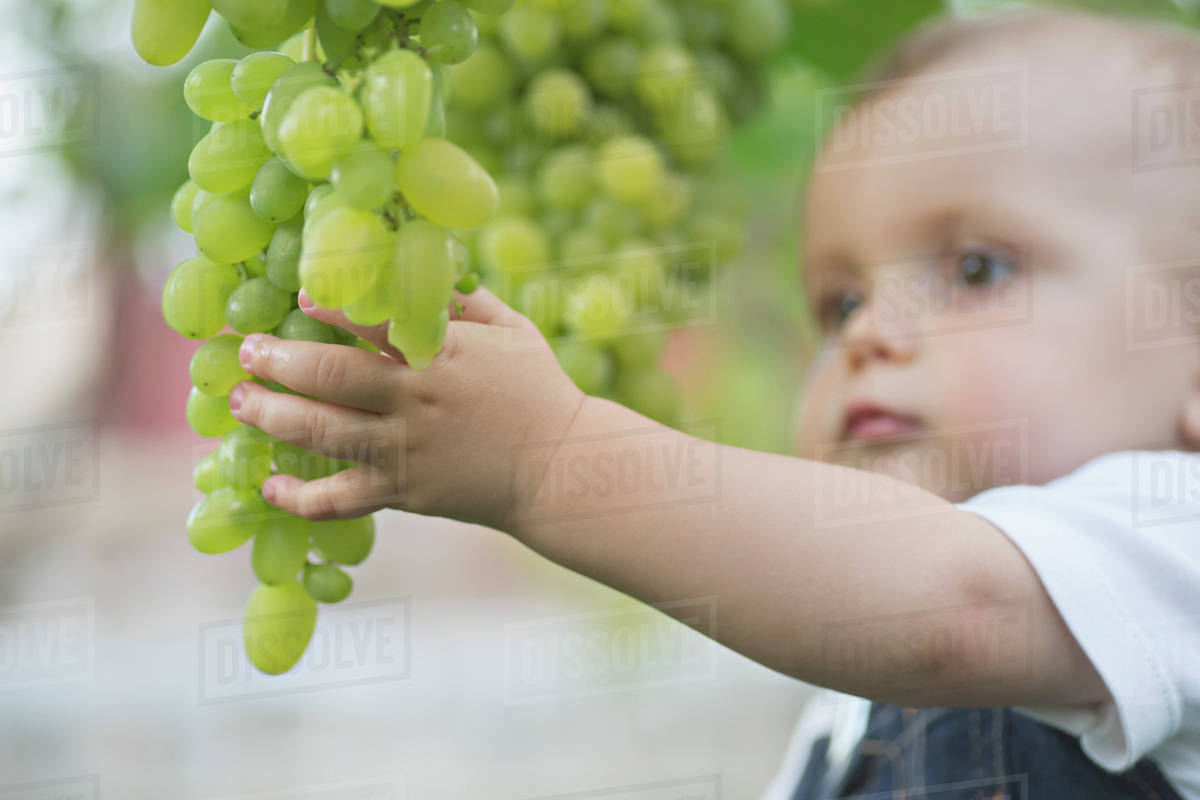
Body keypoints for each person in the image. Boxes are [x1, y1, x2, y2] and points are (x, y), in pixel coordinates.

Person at [221, 6, 1200, 798]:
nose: (867, 331)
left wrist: (552, 459)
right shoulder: (841, 716)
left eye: (975, 268)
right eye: (839, 301)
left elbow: (954, 609)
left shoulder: (1174, 540)